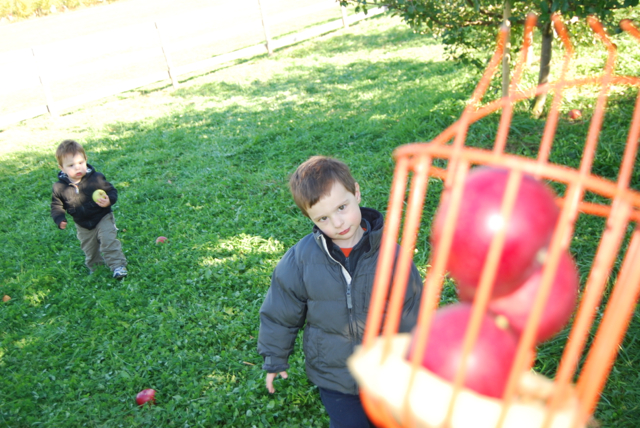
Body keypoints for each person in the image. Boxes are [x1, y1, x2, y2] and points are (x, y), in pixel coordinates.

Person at [258, 156, 423, 428]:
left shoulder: (391, 256)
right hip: (334, 377)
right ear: (309, 218)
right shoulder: (301, 259)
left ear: (356, 192)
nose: (337, 222)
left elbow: (411, 310)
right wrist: (275, 357)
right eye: (323, 217)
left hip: (387, 374)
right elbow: (280, 312)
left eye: (342, 207)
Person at [50, 139, 128, 279]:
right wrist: (59, 218)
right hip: (83, 224)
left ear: (86, 160)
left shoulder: (96, 178)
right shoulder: (59, 187)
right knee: (89, 249)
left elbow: (111, 191)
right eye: (71, 165)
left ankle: (118, 266)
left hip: (102, 217)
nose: (77, 168)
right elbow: (57, 205)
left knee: (108, 241)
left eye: (81, 163)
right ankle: (96, 268)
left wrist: (108, 200)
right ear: (62, 168)